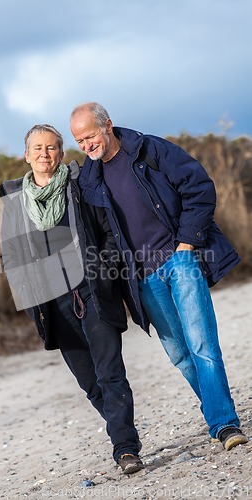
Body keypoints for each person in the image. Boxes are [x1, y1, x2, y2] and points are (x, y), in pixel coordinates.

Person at [70, 102, 249, 451]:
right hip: (141, 279)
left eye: (90, 136)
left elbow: (198, 186)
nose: (87, 145)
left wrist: (187, 242)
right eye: (80, 141)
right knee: (180, 354)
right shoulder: (89, 180)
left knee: (202, 345)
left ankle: (225, 423)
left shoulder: (149, 149)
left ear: (108, 125)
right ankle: (217, 410)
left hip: (179, 260)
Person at [0, 124, 143, 474]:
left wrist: (104, 267)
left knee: (110, 373)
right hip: (53, 306)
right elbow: (10, 256)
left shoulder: (79, 187)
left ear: (61, 154)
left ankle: (125, 448)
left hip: (92, 292)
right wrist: (31, 298)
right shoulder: (16, 203)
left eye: (51, 148)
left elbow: (108, 231)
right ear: (26, 154)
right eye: (38, 148)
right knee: (90, 384)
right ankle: (121, 430)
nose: (44, 154)